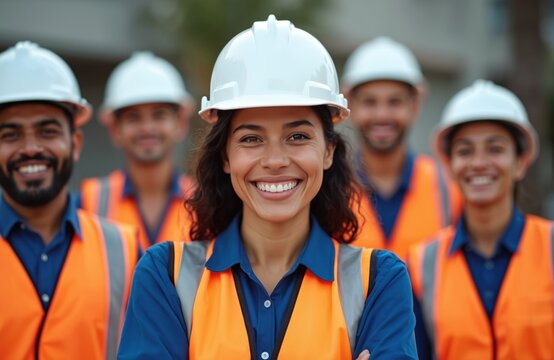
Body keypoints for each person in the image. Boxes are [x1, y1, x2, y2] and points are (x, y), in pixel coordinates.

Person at [118, 15, 417, 359]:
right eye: (252, 138)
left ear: (329, 151)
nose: (275, 160)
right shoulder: (165, 275)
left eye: (297, 136)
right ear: (226, 156)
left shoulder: (380, 281)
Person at [0, 41, 139, 359]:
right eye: (10, 135)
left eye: (47, 131)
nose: (30, 148)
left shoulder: (125, 250)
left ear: (75, 144)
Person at [408, 80, 553, 359]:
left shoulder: (550, 246)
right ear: (449, 165)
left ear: (520, 162)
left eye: (495, 149)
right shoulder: (420, 264)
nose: (478, 163)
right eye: (465, 151)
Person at [341, 37, 463, 261]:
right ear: (351, 106)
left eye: (394, 102)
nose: (382, 115)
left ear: (414, 106)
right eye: (369, 102)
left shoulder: (449, 188)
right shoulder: (329, 188)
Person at [80, 51, 195, 249]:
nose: (147, 128)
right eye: (134, 117)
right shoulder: (89, 201)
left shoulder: (206, 202)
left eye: (159, 115)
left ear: (181, 124)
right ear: (115, 129)